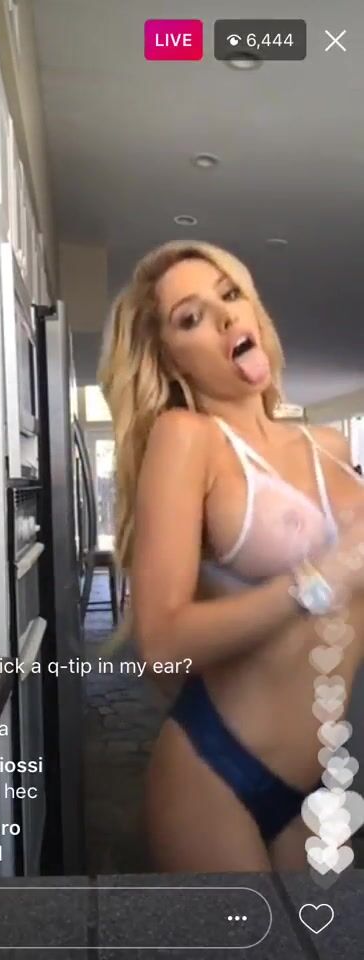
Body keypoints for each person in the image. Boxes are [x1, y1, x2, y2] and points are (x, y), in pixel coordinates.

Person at [98, 240, 364, 872]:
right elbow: (162, 644)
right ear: (170, 357)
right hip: (215, 774)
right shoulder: (188, 439)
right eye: (191, 317)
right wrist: (316, 580)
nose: (223, 317)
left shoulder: (328, 445)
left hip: (321, 786)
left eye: (230, 295)